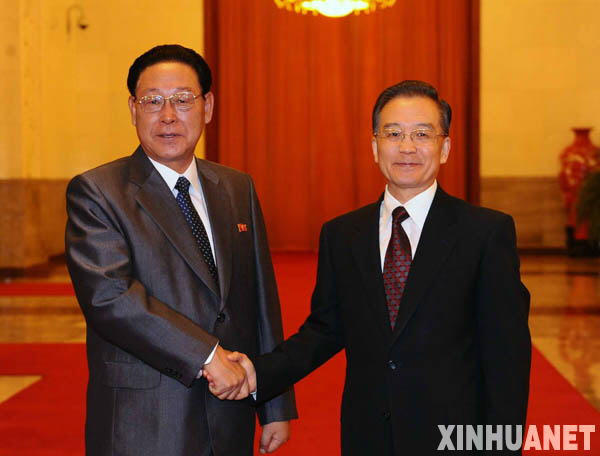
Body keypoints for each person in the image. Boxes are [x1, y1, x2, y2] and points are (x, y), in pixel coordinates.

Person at [228, 80, 531, 455]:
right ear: (375, 146)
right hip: (368, 435)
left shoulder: (484, 233)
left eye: (422, 134)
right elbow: (325, 330)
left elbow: (507, 357)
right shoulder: (343, 235)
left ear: (445, 148)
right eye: (394, 133)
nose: (407, 147)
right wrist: (258, 372)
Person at [65, 44, 296, 456]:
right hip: (146, 419)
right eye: (153, 101)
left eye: (183, 99)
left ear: (207, 107)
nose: (168, 115)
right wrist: (207, 355)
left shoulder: (236, 187)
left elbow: (260, 300)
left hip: (230, 411)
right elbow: (110, 298)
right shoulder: (98, 192)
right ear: (133, 109)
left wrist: (273, 400)